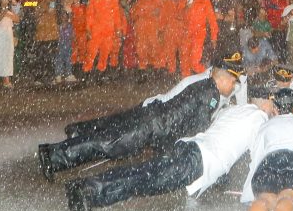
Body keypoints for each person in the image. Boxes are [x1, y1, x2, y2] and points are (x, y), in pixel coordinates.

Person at [68, 89, 273, 211]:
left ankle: (87, 186)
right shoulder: (260, 119)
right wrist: (256, 196)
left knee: (144, 173)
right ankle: (90, 191)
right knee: (144, 180)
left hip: (191, 148)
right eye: (273, 103)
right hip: (200, 160)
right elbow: (258, 159)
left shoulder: (236, 110)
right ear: (265, 103)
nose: (274, 109)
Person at [40, 56, 243, 176]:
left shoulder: (208, 86)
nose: (235, 86)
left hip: (154, 118)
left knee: (110, 137)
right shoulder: (202, 85)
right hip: (153, 116)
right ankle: (55, 154)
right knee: (109, 141)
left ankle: (67, 143)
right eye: (234, 81)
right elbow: (174, 103)